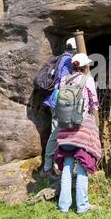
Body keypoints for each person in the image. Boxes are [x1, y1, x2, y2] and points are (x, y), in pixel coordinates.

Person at [55, 53, 102, 214]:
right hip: (81, 127)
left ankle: (63, 205)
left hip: (65, 128)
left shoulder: (64, 80)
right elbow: (94, 103)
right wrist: (96, 124)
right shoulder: (87, 79)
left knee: (67, 166)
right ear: (84, 66)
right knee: (83, 165)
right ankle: (82, 206)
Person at [40, 38, 77, 176]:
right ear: (75, 48)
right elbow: (65, 82)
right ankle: (50, 165)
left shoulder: (62, 58)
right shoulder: (67, 61)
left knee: (56, 132)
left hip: (54, 100)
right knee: (56, 133)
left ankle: (53, 163)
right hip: (59, 102)